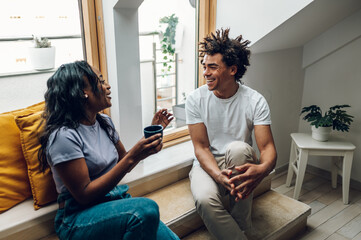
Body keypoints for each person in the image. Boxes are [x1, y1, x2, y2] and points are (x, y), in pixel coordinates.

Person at [38, 60, 179, 240]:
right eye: (101, 81)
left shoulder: (104, 122)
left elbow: (124, 161)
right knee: (144, 210)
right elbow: (84, 195)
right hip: (78, 216)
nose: (108, 86)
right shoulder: (63, 137)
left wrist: (149, 139)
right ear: (83, 93)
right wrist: (134, 156)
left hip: (113, 201)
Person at [185, 28, 277, 240]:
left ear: (232, 70)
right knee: (205, 200)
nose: (205, 73)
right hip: (207, 163)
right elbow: (201, 147)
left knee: (238, 148)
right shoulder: (195, 99)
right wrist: (217, 175)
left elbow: (268, 148)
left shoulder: (254, 100)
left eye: (212, 67)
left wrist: (263, 168)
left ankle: (241, 224)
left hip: (237, 161)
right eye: (204, 66)